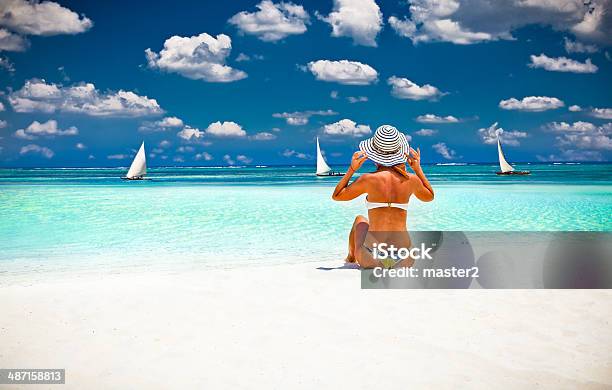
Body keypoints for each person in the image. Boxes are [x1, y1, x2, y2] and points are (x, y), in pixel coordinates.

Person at [332, 125, 434, 268]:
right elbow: (429, 196)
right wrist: (418, 170)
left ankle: (350, 258)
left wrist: (351, 169)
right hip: (404, 260)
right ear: (400, 152)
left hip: (372, 259)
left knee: (360, 220)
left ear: (374, 155)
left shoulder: (368, 179)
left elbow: (337, 196)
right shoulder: (411, 180)